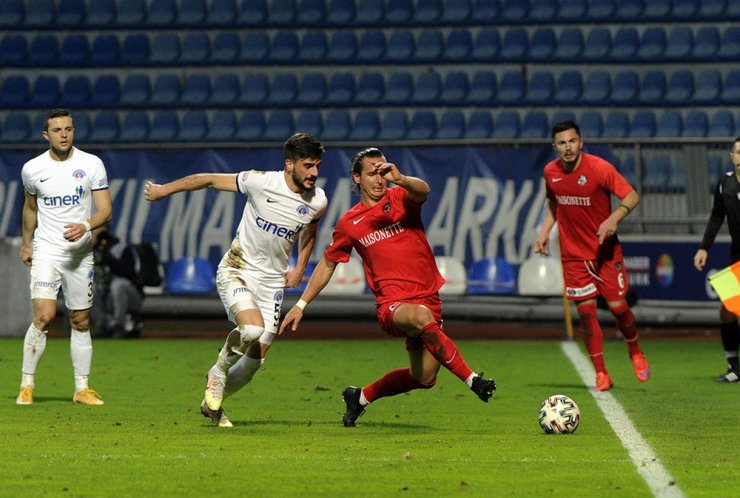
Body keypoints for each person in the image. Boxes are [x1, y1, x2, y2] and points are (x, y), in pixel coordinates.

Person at [280, 147, 496, 428]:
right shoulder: (350, 223)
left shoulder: (401, 198)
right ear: (357, 178)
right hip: (393, 307)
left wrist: (402, 178)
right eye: (373, 174)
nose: (380, 179)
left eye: (383, 172)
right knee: (420, 317)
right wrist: (301, 304)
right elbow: (329, 263)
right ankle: (473, 380)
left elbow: (424, 191)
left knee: (425, 378)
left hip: (429, 298)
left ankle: (359, 397)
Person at [144, 133, 327, 427]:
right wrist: (165, 190)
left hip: (272, 284)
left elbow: (310, 232)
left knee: (255, 362)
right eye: (308, 165)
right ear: (289, 164)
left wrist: (299, 268)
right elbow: (208, 179)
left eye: (317, 165)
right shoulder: (260, 182)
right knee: (252, 329)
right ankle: (217, 372)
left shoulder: (318, 200)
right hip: (237, 269)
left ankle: (211, 404)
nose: (314, 173)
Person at [534, 120, 650, 392]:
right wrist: (544, 232)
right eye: (562, 143)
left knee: (618, 307)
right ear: (555, 147)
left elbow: (632, 195)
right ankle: (601, 373)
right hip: (574, 256)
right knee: (586, 314)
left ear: (581, 142)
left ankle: (634, 349)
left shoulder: (599, 168)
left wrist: (614, 218)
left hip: (605, 253)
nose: (568, 147)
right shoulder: (550, 172)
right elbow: (554, 202)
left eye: (572, 141)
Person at [17, 108, 113, 406]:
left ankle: (82, 388)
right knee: (45, 315)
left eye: (68, 129)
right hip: (47, 251)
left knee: (81, 320)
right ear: (46, 134)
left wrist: (85, 227)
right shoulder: (33, 169)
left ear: (74, 131)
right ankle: (27, 384)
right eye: (57, 130)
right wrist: (26, 243)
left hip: (80, 254)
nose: (64, 135)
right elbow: (30, 209)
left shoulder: (91, 164)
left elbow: (105, 210)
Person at [693, 137, 740, 383]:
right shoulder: (725, 184)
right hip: (737, 256)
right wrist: (704, 248)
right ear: (732, 156)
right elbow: (716, 217)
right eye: (738, 152)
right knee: (727, 311)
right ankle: (734, 367)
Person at [91, 227, 145, 339]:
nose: (93, 232)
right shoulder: (90, 250)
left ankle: (118, 326)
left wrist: (107, 255)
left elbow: (128, 273)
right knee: (88, 287)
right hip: (106, 295)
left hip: (131, 296)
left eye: (96, 229)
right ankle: (104, 326)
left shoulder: (120, 247)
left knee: (118, 284)